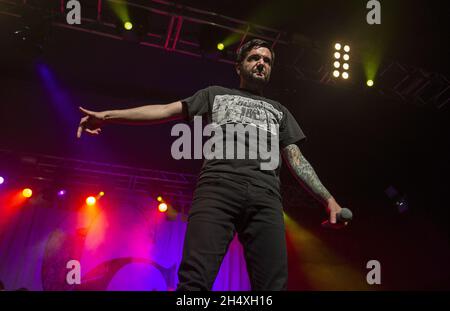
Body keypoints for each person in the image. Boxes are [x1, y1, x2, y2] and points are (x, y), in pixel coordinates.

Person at [77, 39, 349, 291]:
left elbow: (296, 159)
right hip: (218, 190)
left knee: (272, 288)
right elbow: (164, 110)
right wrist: (107, 115)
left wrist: (329, 200)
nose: (261, 64)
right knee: (194, 283)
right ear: (239, 66)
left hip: (266, 197)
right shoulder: (215, 94)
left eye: (267, 61)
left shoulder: (279, 110)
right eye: (254, 58)